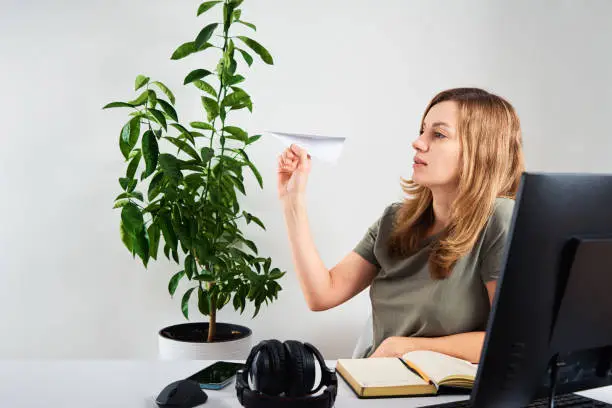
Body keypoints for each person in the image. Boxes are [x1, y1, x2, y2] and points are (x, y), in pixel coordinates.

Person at [277, 87, 525, 362]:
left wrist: (407, 348)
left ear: (482, 150)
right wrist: (292, 200)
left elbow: (510, 341)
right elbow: (322, 295)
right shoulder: (395, 220)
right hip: (378, 384)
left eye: (438, 134)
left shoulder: (500, 219)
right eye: (422, 130)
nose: (418, 142)